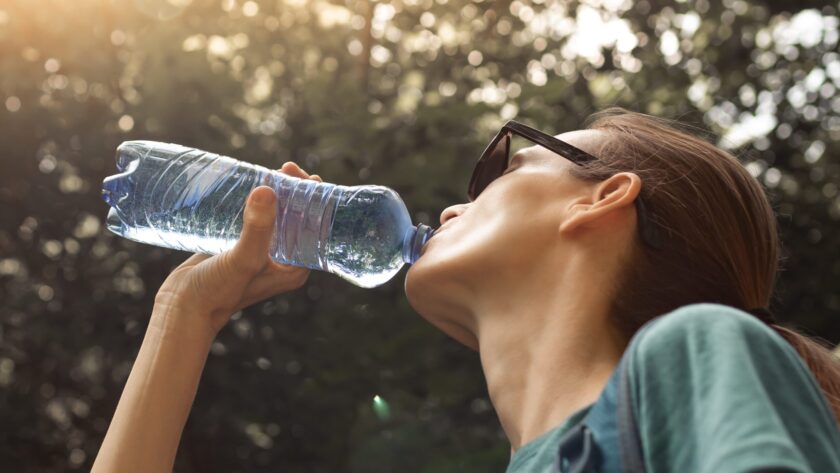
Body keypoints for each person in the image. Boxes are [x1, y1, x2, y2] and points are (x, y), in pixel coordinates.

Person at [91, 109, 840, 472]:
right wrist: (187, 313)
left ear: (602, 198)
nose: (453, 206)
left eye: (500, 171)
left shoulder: (695, 353)